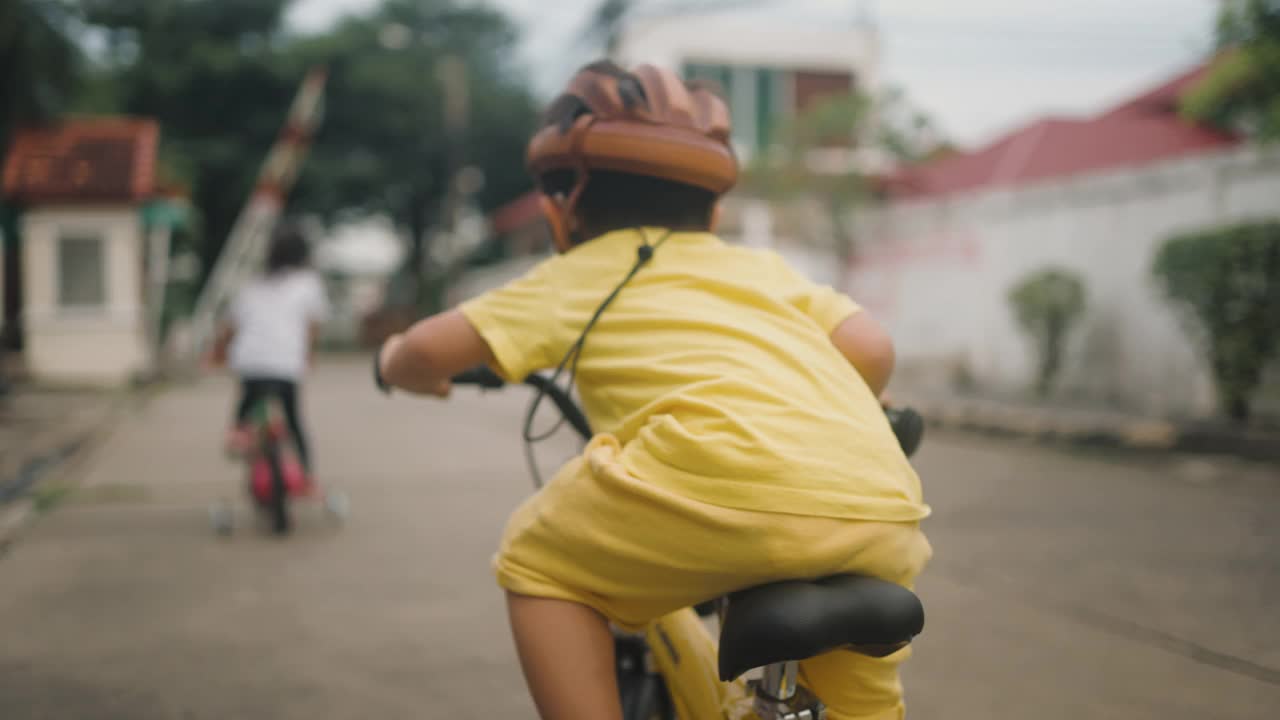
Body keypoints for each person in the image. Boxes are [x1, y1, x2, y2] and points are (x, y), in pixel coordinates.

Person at [374, 61, 931, 720]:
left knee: (537, 562)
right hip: (881, 502)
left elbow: (426, 351)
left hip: (712, 476)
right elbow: (871, 348)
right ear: (714, 204)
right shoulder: (758, 269)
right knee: (859, 708)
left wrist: (398, 365)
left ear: (565, 204)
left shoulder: (579, 274)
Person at [212, 221, 329, 477]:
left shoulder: (253, 285)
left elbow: (230, 326)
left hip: (250, 362)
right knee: (293, 418)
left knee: (246, 406)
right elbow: (312, 327)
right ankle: (306, 474)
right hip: (286, 364)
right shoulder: (308, 283)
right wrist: (309, 355)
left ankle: (238, 435)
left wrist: (219, 352)